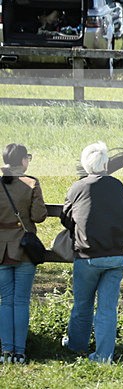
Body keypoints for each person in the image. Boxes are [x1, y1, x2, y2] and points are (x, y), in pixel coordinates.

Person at [61, 142, 123, 364]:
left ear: (85, 164)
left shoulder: (78, 187)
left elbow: (66, 217)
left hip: (87, 256)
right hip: (115, 256)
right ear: (106, 163)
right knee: (107, 310)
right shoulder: (117, 186)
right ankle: (103, 355)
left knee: (82, 304)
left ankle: (76, 345)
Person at [0, 144, 47, 365]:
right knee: (21, 302)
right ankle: (19, 352)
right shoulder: (31, 182)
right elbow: (39, 216)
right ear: (23, 161)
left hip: (1, 250)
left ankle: (5, 351)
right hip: (24, 250)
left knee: (5, 302)